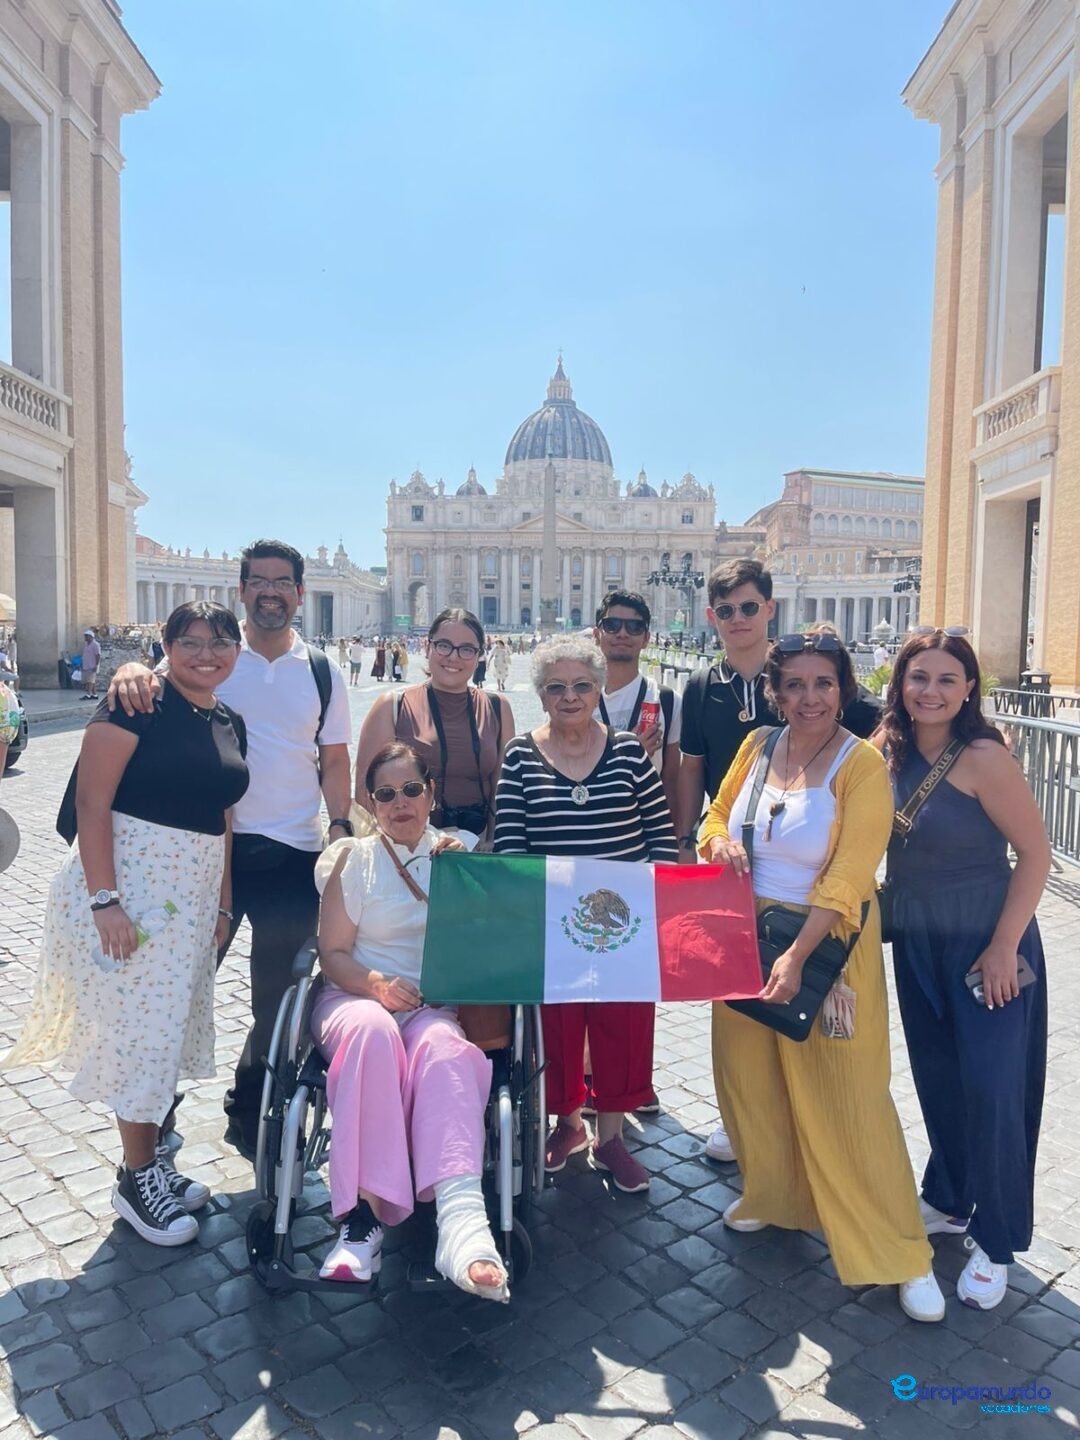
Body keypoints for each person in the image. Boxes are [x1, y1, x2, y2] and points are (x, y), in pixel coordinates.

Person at [698, 631, 942, 1322]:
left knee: (848, 1095)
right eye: (795, 685)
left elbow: (850, 874)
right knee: (749, 1079)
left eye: (823, 684)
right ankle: (776, 1196)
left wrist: (797, 955)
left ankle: (901, 1251)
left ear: (844, 689)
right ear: (776, 692)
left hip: (826, 944)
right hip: (744, 937)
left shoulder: (860, 763)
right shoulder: (757, 746)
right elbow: (715, 815)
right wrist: (716, 841)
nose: (810, 698)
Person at [3, 602, 249, 1245]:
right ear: (165, 644)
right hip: (133, 897)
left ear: (236, 649)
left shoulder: (229, 719)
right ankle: (137, 1178)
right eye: (190, 641)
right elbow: (92, 801)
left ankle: (150, 1162)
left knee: (166, 1030)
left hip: (190, 901)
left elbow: (224, 816)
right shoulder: (134, 703)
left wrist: (224, 903)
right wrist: (105, 900)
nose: (206, 653)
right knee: (142, 1034)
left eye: (220, 641)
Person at [107, 540, 353, 1160]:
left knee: (278, 999)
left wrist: (340, 824)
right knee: (178, 989)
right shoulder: (214, 657)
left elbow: (333, 758)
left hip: (293, 850)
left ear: (299, 592)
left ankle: (251, 1113)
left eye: (282, 582)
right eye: (259, 581)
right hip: (202, 854)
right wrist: (131, 667)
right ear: (241, 590)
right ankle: (152, 1123)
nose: (271, 591)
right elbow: (156, 683)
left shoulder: (322, 670)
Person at [677, 562, 881, 1163]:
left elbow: (894, 724)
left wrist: (971, 736)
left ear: (769, 608)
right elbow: (700, 783)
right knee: (746, 1057)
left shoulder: (846, 732)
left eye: (748, 607)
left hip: (818, 908)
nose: (808, 698)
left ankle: (830, 1182)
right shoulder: (716, 700)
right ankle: (762, 1166)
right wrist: (699, 840)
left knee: (827, 1074)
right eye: (794, 687)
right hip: (741, 894)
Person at [879, 630, 1049, 1310]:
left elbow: (1036, 854)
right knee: (940, 1077)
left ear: (969, 688)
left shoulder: (984, 756)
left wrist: (1006, 945)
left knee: (994, 1087)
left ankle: (999, 1237)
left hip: (987, 938)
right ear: (899, 683)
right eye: (919, 677)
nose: (931, 691)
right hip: (918, 935)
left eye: (947, 679)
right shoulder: (884, 750)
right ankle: (950, 1196)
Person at [313, 741, 507, 1298]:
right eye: (385, 794)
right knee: (373, 1033)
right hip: (356, 998)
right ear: (371, 804)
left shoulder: (456, 852)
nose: (400, 803)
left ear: (431, 793)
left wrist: (463, 878)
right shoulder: (353, 860)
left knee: (447, 1048)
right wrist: (376, 985)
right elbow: (333, 953)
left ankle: (463, 1223)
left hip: (428, 1004)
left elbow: (489, 936)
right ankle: (363, 1221)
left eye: (412, 789)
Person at [493, 636, 677, 1194]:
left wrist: (659, 900)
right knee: (558, 1029)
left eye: (581, 685)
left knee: (623, 1026)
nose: (569, 696)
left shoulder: (628, 752)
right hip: (554, 924)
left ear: (598, 690)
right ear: (540, 695)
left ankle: (612, 1137)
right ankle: (569, 1124)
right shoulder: (520, 755)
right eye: (556, 687)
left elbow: (660, 834)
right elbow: (511, 844)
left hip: (623, 923)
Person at [356, 608, 514, 844]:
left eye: (466, 649)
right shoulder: (391, 706)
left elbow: (502, 789)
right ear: (428, 647)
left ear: (479, 655)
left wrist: (491, 843)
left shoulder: (498, 707)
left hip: (476, 845)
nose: (453, 657)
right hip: (406, 847)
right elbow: (364, 792)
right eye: (444, 645)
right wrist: (402, 849)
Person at [81, 629, 102, 701]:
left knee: (90, 681)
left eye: (86, 636)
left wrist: (96, 665)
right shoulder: (86, 644)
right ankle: (95, 694)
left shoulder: (96, 645)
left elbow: (98, 655)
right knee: (91, 680)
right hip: (87, 665)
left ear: (91, 636)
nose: (85, 638)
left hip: (93, 665)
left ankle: (88, 694)